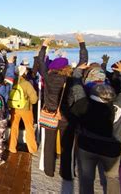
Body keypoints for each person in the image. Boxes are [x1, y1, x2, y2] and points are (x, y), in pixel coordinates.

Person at [70, 62, 121, 194]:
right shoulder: (117, 107)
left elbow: (77, 88)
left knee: (86, 179)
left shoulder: (84, 104)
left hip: (87, 146)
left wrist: (77, 72)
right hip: (111, 148)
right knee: (113, 177)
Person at [39, 34, 87, 179]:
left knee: (49, 144)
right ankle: (66, 173)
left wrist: (44, 44)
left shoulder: (48, 77)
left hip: (49, 115)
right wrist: (81, 42)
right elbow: (83, 62)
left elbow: (40, 61)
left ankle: (49, 170)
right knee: (67, 146)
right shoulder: (72, 78)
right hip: (67, 117)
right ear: (66, 67)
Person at [8, 64, 38, 155]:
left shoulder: (12, 82)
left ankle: (12, 147)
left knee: (14, 127)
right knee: (29, 128)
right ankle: (32, 148)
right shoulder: (27, 84)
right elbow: (34, 100)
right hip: (26, 109)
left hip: (14, 108)